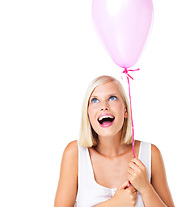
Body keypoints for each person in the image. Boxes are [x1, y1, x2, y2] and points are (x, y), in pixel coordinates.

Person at [54, 75, 174, 207]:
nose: (104, 106)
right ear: (87, 113)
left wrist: (146, 188)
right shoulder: (75, 153)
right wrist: (115, 203)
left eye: (112, 98)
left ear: (125, 110)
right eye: (95, 100)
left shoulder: (150, 153)